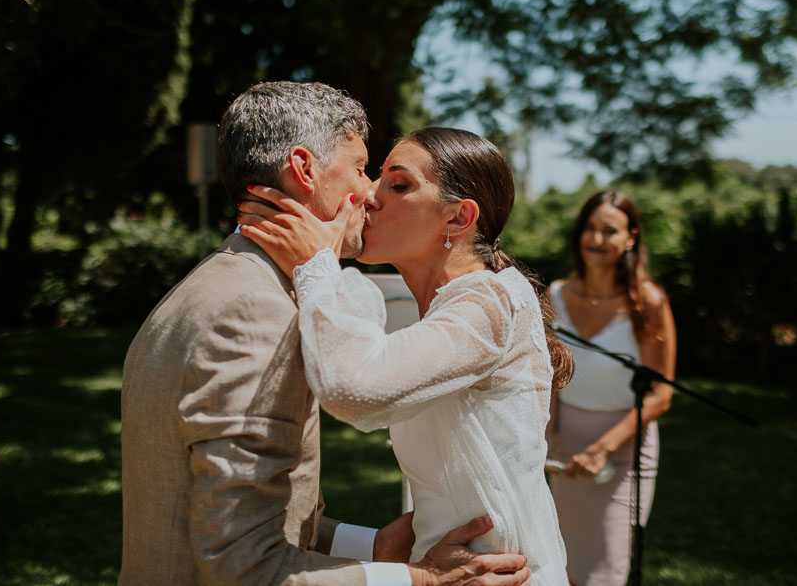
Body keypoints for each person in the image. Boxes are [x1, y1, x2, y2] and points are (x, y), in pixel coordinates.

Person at [119, 83, 532, 586]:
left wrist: (373, 547)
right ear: (304, 169)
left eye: (392, 183)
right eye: (362, 169)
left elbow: (251, 509)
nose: (370, 193)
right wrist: (422, 580)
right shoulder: (255, 311)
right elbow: (243, 564)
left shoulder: (213, 283)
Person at [238, 126, 574, 586]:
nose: (369, 196)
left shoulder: (488, 304)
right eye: (376, 177)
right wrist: (385, 545)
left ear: (458, 219)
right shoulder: (451, 305)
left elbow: (354, 390)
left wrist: (315, 264)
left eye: (399, 185)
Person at [545, 190, 677, 586]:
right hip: (564, 449)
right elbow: (552, 376)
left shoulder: (648, 302)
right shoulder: (555, 295)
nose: (597, 240)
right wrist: (547, 437)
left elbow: (661, 395)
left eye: (609, 231)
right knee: (560, 564)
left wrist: (603, 449)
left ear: (631, 238)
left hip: (622, 454)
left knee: (606, 571)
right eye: (590, 228)